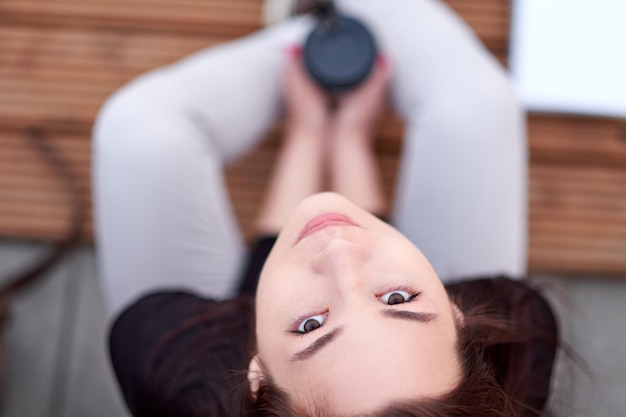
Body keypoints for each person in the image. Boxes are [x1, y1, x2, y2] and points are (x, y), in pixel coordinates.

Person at [92, 0, 558, 416]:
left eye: (312, 326)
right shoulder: (517, 343)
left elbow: (251, 303)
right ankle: (340, 31)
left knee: (137, 131)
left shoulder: (171, 366)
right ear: (462, 321)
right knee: (478, 107)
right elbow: (323, 247)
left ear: (257, 384)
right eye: (398, 300)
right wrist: (349, 137)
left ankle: (318, 33)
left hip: (212, 318)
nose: (339, 253)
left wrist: (307, 134)